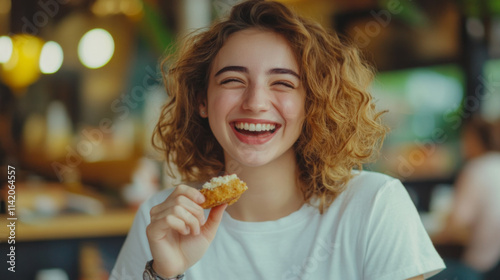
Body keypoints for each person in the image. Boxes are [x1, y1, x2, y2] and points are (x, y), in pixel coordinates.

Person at [110, 1, 445, 279]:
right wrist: (164, 274)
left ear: (312, 102)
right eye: (232, 80)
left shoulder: (373, 205)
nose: (255, 102)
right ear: (201, 99)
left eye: (283, 83)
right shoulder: (163, 221)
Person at [431, 116, 500, 280]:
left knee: (422, 271)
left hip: (481, 269)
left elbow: (455, 225)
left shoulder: (476, 169)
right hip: (494, 266)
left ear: (474, 140)